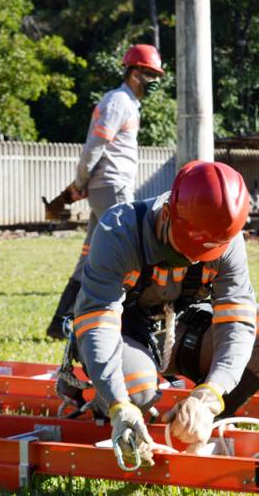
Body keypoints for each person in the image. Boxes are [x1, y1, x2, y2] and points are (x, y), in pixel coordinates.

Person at [61, 160, 259, 467]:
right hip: (126, 336)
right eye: (187, 248)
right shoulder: (119, 231)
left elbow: (237, 322)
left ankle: (196, 420)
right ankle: (129, 412)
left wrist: (209, 395)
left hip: (181, 331)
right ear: (167, 215)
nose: (192, 258)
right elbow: (98, 325)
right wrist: (118, 403)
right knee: (135, 387)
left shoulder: (226, 238)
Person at [47, 44, 165, 340]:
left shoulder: (126, 104)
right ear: (134, 73)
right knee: (134, 248)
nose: (154, 81)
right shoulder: (119, 102)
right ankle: (133, 321)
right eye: (149, 74)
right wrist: (79, 183)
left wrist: (84, 185)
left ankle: (61, 321)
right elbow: (96, 146)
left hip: (106, 186)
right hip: (112, 186)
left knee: (89, 255)